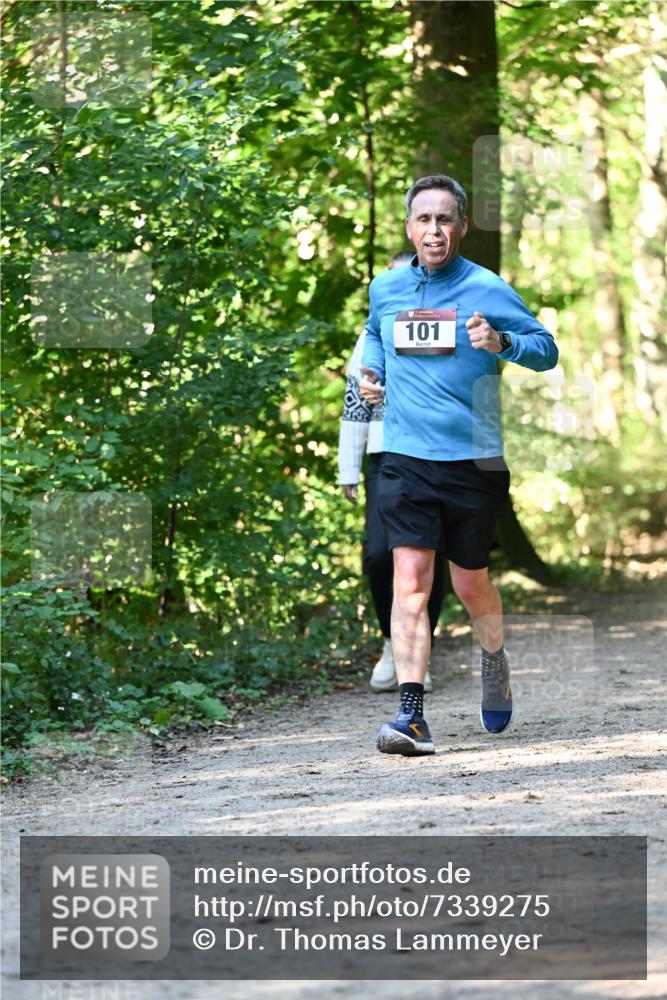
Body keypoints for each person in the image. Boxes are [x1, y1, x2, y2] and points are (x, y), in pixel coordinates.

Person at [359, 174, 558, 756]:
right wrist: (372, 376)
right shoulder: (387, 288)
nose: (434, 230)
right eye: (424, 220)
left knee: (471, 585)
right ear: (409, 227)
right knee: (411, 584)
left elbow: (544, 348)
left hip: (473, 461)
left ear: (462, 227)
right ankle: (411, 715)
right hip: (404, 459)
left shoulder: (487, 287)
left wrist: (501, 342)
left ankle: (493, 659)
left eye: (445, 219)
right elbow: (374, 336)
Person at [338, 251, 446, 694]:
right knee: (380, 555)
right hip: (385, 456)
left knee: (427, 558)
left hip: (437, 453)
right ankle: (391, 641)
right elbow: (354, 406)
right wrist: (349, 469)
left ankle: (420, 650)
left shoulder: (440, 327)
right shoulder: (370, 338)